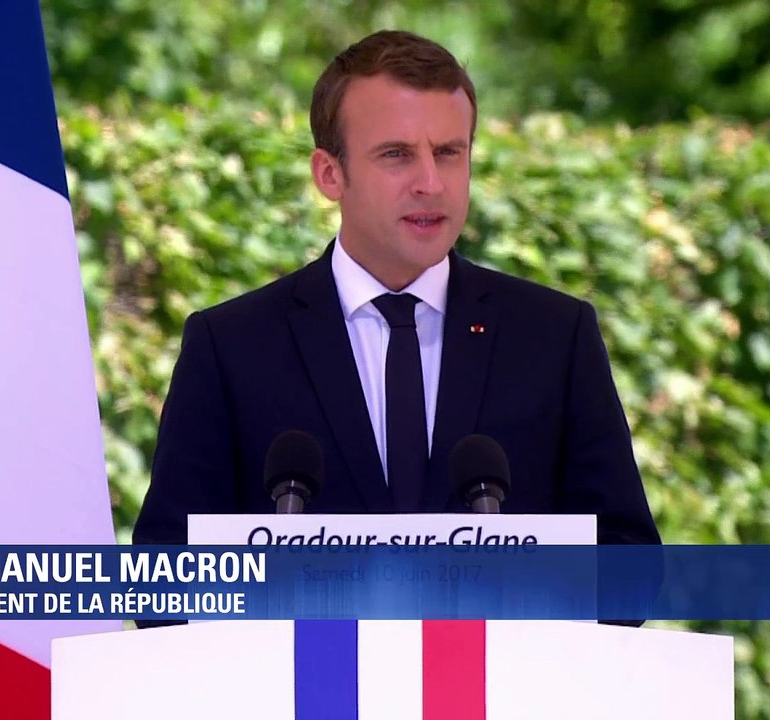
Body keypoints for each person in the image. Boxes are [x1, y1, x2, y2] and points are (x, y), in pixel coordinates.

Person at [133, 30, 659, 550]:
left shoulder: (553, 336)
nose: (430, 181)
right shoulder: (231, 345)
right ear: (330, 174)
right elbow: (165, 575)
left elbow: (627, 558)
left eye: (450, 152)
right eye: (397, 155)